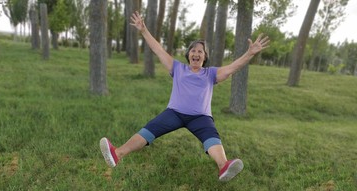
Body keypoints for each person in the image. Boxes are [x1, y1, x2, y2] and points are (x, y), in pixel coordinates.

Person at [100, 11, 270, 181]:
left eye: (200, 52)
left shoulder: (211, 73)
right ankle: (117, 154)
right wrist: (143, 30)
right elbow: (157, 49)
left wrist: (250, 53)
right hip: (174, 113)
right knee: (149, 129)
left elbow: (233, 67)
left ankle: (223, 166)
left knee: (211, 136)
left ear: (205, 57)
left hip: (201, 117)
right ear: (189, 55)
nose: (196, 53)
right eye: (193, 51)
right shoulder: (178, 68)